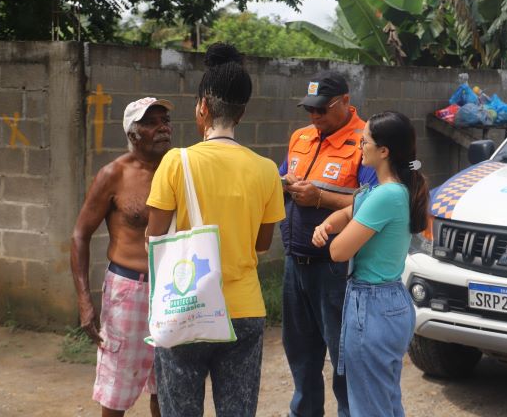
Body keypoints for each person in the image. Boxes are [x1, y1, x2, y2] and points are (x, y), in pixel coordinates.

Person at [145, 42, 286, 417]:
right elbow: (262, 243)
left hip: (185, 306)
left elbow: (153, 239)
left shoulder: (176, 161)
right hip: (244, 311)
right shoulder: (266, 169)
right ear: (241, 112)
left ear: (203, 108)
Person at [312, 111, 429, 417]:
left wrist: (332, 236)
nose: (358, 147)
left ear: (384, 151)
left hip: (373, 306)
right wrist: (327, 223)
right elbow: (350, 213)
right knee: (384, 402)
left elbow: (338, 251)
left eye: (364, 141)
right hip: (386, 302)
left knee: (368, 407)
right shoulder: (384, 190)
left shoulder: (386, 195)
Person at [280, 71, 377, 417]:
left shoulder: (366, 141)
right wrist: (284, 183)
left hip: (336, 270)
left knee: (344, 361)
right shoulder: (301, 137)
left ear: (346, 102)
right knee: (300, 357)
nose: (315, 117)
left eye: (322, 110)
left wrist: (320, 197)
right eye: (309, 110)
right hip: (295, 264)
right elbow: (281, 178)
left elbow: (374, 202)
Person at [70, 97, 174, 417]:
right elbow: (79, 235)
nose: (163, 128)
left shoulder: (179, 168)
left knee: (167, 385)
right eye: (152, 122)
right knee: (117, 389)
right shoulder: (113, 174)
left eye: (164, 120)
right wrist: (85, 301)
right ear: (133, 133)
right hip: (129, 290)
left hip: (173, 288)